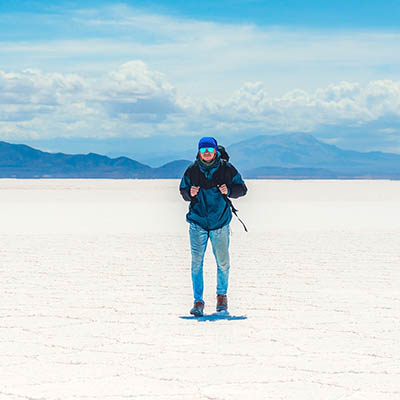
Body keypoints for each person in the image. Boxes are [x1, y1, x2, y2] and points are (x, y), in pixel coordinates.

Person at [179, 137, 248, 316]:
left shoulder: (227, 169)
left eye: (209, 149)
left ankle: (221, 298)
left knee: (223, 263)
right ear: (199, 152)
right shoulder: (192, 170)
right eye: (203, 150)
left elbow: (242, 189)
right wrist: (189, 193)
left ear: (215, 150)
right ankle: (198, 301)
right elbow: (183, 191)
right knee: (196, 263)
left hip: (220, 224)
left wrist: (229, 191)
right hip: (197, 223)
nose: (207, 152)